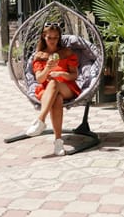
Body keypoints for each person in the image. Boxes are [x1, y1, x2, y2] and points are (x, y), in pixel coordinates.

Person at [25, 22, 81, 156]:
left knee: (55, 83)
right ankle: (58, 142)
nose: (52, 41)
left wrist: (61, 74)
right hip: (47, 90)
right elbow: (39, 79)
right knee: (57, 99)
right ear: (44, 37)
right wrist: (48, 68)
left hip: (67, 87)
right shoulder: (39, 56)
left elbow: (74, 75)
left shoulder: (66, 53)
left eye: (56, 37)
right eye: (49, 37)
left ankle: (40, 120)